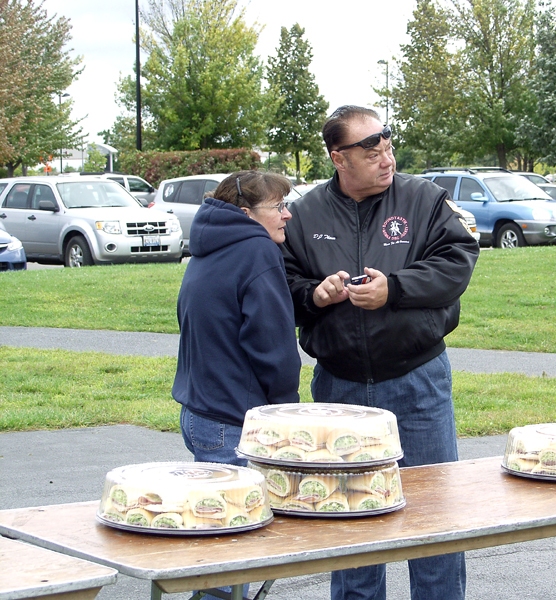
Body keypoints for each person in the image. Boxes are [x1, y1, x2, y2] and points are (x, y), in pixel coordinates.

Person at [281, 106, 480, 600]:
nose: (386, 159)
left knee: (433, 518)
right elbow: (283, 282)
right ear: (339, 158)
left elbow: (457, 263)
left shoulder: (423, 199)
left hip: (418, 380)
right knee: (351, 519)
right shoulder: (304, 214)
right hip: (340, 385)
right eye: (372, 152)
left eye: (388, 147)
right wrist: (315, 295)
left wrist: (395, 288)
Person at [173, 170, 301, 468]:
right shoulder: (257, 249)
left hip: (198, 413)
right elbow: (272, 341)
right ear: (246, 214)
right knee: (246, 499)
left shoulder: (209, 244)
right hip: (235, 420)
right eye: (278, 207)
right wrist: (285, 410)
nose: (287, 215)